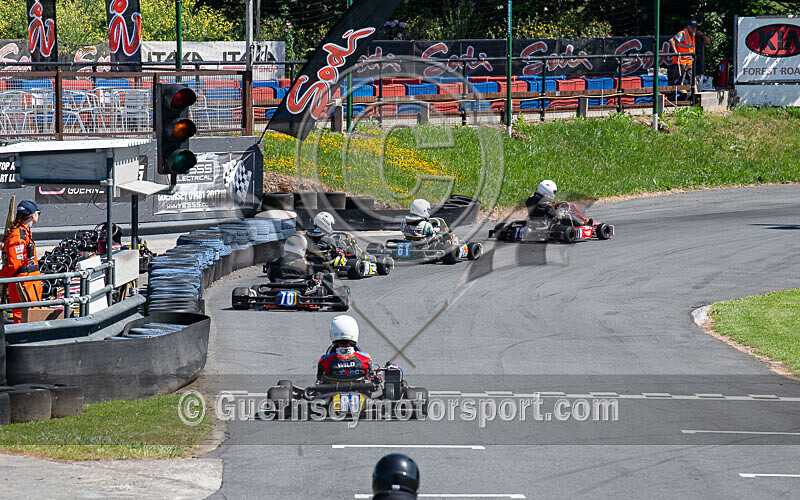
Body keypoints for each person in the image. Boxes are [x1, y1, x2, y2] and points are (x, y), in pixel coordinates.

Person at [0, 200, 43, 323]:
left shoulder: (25, 233)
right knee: (22, 316)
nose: (39, 216)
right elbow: (14, 264)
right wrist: (2, 274)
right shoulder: (18, 236)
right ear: (32, 215)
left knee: (32, 315)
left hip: (29, 282)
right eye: (38, 213)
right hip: (23, 284)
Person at [316, 314, 379, 383]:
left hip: (332, 389)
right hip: (359, 389)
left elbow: (319, 378)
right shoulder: (366, 358)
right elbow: (370, 376)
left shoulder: (324, 360)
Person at [668, 20, 710, 88]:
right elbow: (671, 40)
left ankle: (694, 94)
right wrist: (676, 52)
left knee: (692, 81)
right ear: (688, 27)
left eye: (695, 27)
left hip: (689, 62)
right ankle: (678, 93)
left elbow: (698, 34)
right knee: (680, 80)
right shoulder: (682, 33)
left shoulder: (693, 34)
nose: (694, 29)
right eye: (692, 27)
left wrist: (703, 36)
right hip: (681, 62)